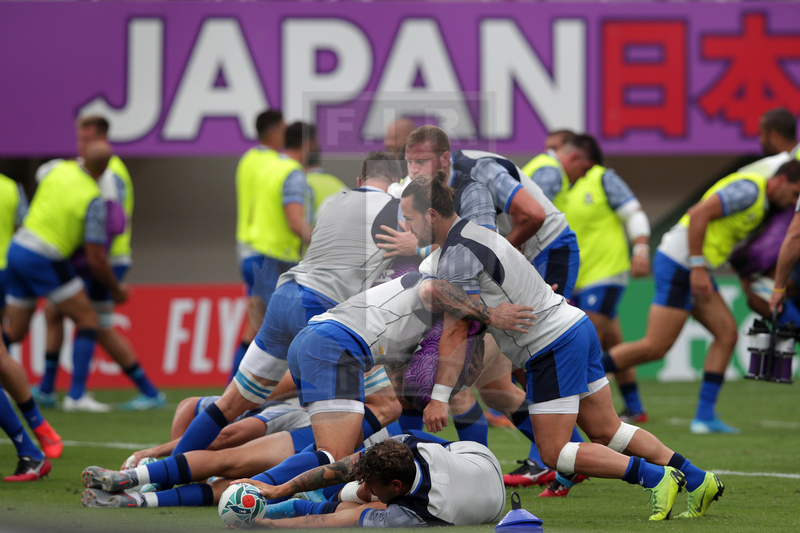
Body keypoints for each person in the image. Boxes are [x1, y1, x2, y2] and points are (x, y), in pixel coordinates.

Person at [400, 172, 723, 520]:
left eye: (409, 217)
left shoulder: (457, 255)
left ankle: (656, 477)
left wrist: (440, 396)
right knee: (606, 430)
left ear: (431, 215)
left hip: (551, 345)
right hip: (574, 326)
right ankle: (697, 478)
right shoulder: (475, 233)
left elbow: (457, 327)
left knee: (554, 453)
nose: (406, 225)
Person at [169, 153, 407, 456]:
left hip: (285, 296)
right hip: (322, 313)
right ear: (396, 183)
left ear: (359, 180)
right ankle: (321, 483)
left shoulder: (332, 201)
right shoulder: (394, 209)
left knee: (228, 405)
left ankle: (155, 474)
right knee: (386, 405)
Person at [603, 160, 800, 434]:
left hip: (695, 268)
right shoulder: (749, 192)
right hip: (680, 264)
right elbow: (698, 214)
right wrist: (696, 265)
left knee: (727, 334)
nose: (793, 202)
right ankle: (581, 373)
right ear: (781, 181)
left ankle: (704, 417)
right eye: (794, 194)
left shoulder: (763, 204)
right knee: (654, 347)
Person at [33, 115, 164, 412]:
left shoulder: (107, 173)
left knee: (91, 322)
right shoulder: (91, 170)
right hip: (93, 257)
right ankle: (48, 390)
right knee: (59, 314)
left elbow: (109, 224)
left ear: (101, 140)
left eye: (87, 139)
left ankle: (77, 394)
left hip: (104, 259)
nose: (81, 145)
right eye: (79, 139)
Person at [244, 436, 505, 528]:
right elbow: (340, 468)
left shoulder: (409, 516)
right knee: (357, 493)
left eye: (371, 484)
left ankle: (301, 503)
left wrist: (269, 523)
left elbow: (335, 521)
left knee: (358, 505)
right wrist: (280, 488)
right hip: (479, 458)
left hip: (481, 468)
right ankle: (301, 496)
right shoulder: (406, 445)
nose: (365, 488)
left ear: (395, 486)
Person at [231, 109, 289, 379]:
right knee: (272, 326)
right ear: (275, 131)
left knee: (255, 324)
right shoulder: (278, 164)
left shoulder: (247, 160)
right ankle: (241, 388)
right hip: (265, 251)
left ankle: (234, 384)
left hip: (246, 248)